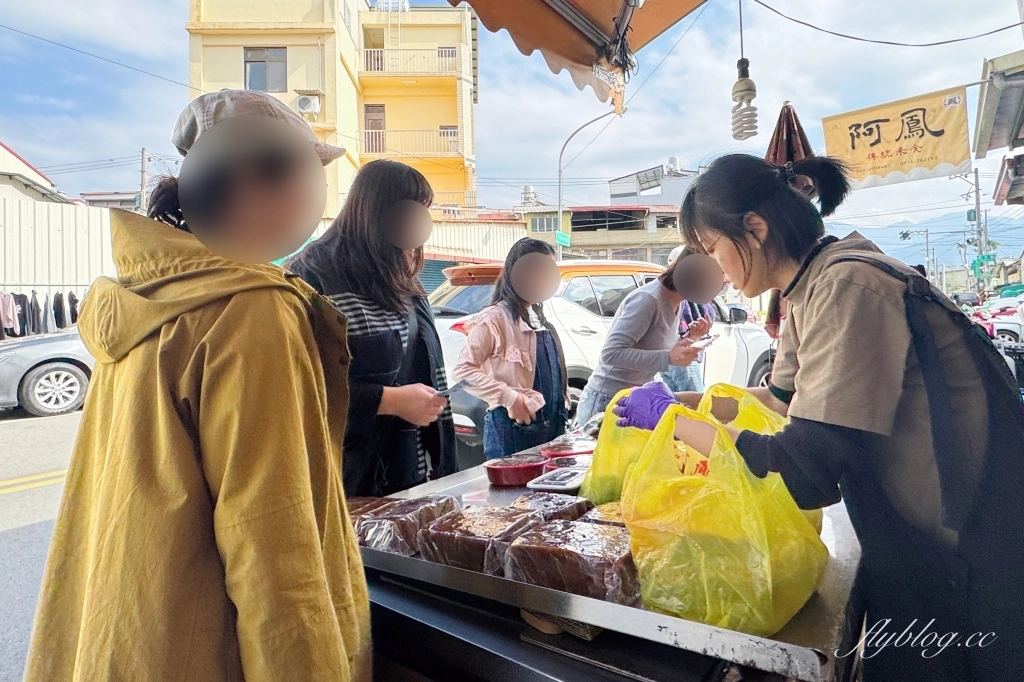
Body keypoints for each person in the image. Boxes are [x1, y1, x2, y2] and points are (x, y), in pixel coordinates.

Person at [614, 153, 1024, 681]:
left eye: (713, 248)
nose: (716, 269)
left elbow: (807, 467)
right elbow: (778, 399)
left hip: (966, 548)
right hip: (920, 535)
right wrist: (681, 406)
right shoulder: (809, 288)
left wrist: (690, 430)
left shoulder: (848, 285)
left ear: (754, 230)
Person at [24, 90, 371, 682]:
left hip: (132, 631)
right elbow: (271, 542)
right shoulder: (251, 310)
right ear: (264, 183)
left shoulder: (148, 295)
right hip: (207, 646)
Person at [288, 159, 459, 496]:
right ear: (377, 211)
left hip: (417, 469)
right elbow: (298, 383)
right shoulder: (314, 275)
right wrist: (390, 400)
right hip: (352, 480)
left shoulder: (403, 278)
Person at [453, 238, 570, 458]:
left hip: (552, 429)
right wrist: (510, 398)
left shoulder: (538, 317)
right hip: (512, 432)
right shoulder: (495, 318)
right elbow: (462, 371)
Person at [573, 258, 704, 426]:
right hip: (607, 400)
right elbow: (610, 354)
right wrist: (668, 358)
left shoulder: (679, 301)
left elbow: (655, 344)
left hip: (634, 398)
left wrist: (691, 339)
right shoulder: (648, 299)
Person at [663, 248, 715, 394]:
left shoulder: (669, 295)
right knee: (697, 401)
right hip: (682, 355)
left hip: (671, 356)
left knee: (673, 403)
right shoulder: (683, 296)